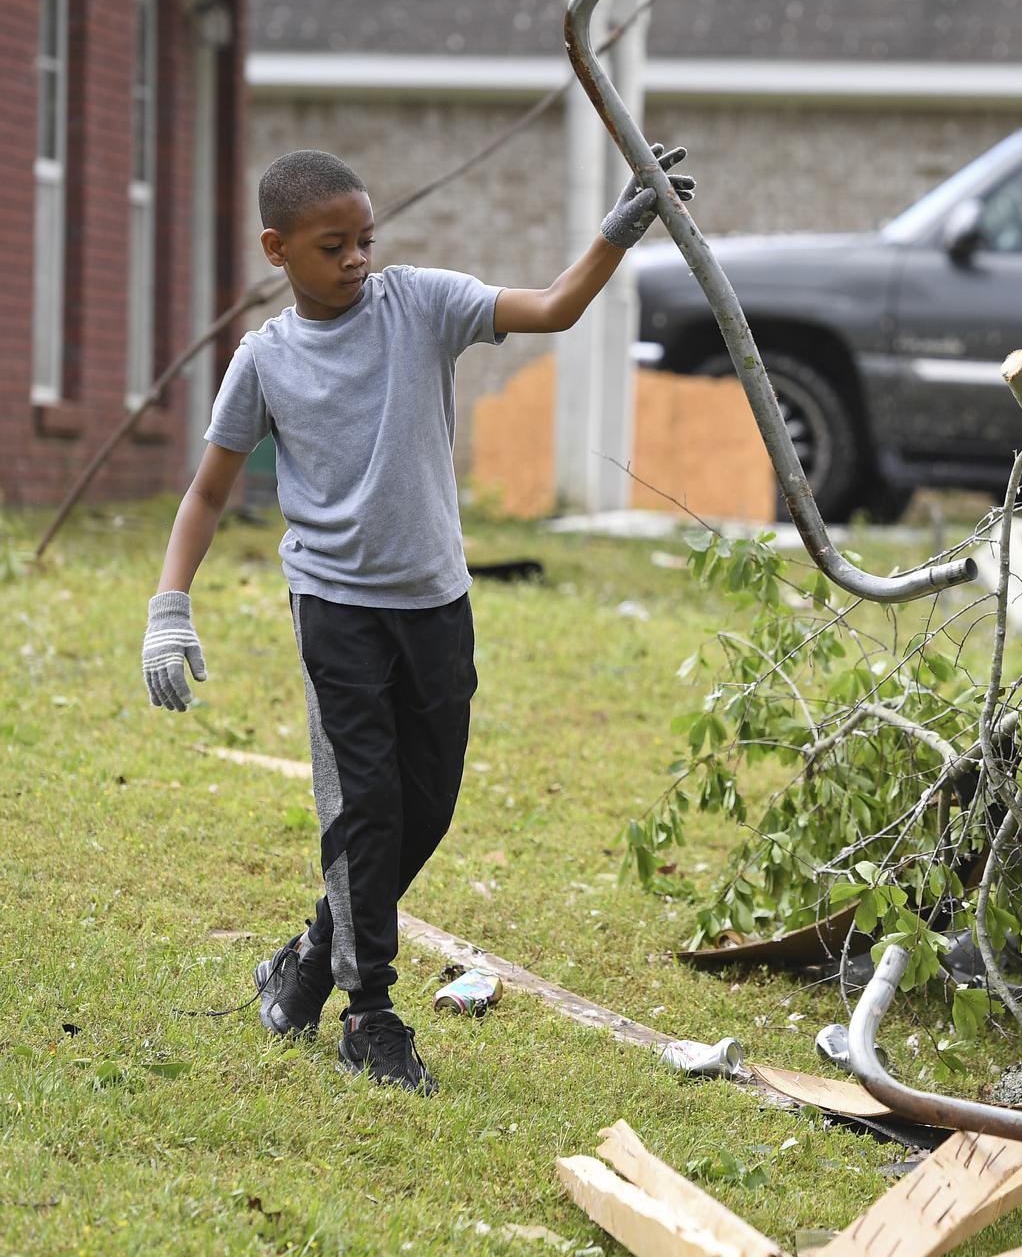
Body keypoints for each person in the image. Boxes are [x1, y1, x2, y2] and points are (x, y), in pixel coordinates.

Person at [140, 145, 695, 1094]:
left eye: (365, 239)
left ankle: (308, 960)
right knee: (366, 810)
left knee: (425, 809)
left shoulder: (420, 304)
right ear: (277, 249)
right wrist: (168, 607)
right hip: (335, 607)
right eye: (331, 246)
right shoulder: (266, 361)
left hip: (436, 601)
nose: (356, 259)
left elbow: (554, 306)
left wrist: (620, 227)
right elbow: (206, 494)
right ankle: (370, 1015)